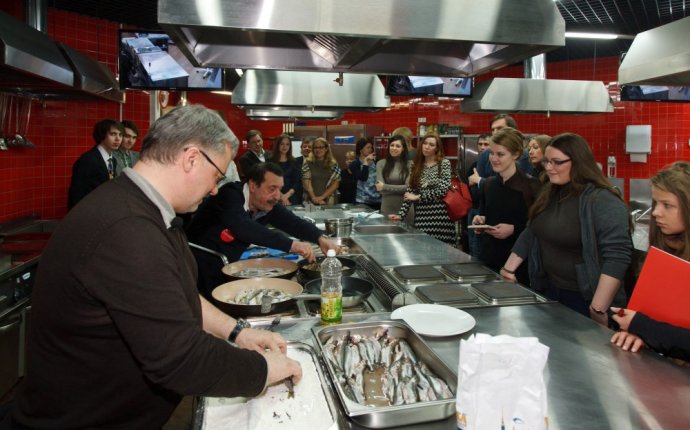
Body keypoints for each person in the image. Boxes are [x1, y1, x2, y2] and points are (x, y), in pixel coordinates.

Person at [4, 105, 301, 430]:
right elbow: (182, 360)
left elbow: (178, 293)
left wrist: (237, 332)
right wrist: (265, 368)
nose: (215, 189)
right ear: (191, 159)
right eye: (216, 176)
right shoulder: (126, 228)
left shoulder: (147, 210)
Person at [500, 133, 632, 325]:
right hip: (550, 290)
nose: (549, 168)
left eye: (557, 162)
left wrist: (598, 308)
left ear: (578, 162)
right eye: (547, 161)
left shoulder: (602, 200)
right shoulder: (551, 191)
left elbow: (617, 256)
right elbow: (532, 230)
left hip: (585, 299)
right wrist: (508, 268)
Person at [186, 162, 339, 298]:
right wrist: (291, 245)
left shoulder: (265, 203)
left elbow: (292, 222)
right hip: (199, 263)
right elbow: (244, 227)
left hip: (228, 264)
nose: (278, 196)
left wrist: (320, 238)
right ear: (253, 185)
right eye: (272, 189)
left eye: (280, 189)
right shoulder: (230, 195)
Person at [611, 161, 690, 361]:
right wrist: (640, 335)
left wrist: (642, 326)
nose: (655, 212)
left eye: (667, 205)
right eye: (656, 203)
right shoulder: (667, 251)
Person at [471, 128, 540, 284]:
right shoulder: (488, 184)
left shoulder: (532, 187)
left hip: (520, 267)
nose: (493, 159)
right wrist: (480, 221)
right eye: (491, 153)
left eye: (500, 154)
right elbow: (484, 214)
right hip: (489, 260)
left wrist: (515, 229)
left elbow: (540, 229)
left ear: (515, 154)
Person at [389, 133, 456, 245]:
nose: (427, 146)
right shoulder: (416, 165)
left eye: (431, 144)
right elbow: (410, 192)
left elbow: (442, 189)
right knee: (423, 250)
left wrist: (418, 197)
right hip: (421, 217)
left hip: (441, 217)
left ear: (437, 148)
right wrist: (400, 215)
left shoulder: (444, 163)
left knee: (442, 253)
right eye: (424, 143)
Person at [67, 118, 124, 209]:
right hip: (88, 211)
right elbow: (76, 193)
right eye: (113, 134)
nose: (118, 139)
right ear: (102, 135)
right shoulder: (87, 160)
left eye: (120, 135)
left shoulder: (113, 160)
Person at [465, 133, 491, 258]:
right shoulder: (474, 165)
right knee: (473, 246)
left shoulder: (493, 165)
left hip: (487, 210)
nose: (482, 147)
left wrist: (477, 180)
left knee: (483, 247)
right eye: (480, 144)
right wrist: (471, 182)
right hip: (473, 209)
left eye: (486, 144)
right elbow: (466, 183)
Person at [376, 134, 412, 218]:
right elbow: (379, 189)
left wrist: (385, 186)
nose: (394, 148)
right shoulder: (381, 163)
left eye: (398, 146)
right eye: (392, 145)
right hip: (387, 208)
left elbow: (408, 188)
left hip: (405, 209)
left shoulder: (410, 164)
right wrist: (400, 188)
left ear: (403, 149)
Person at [302, 137, 341, 205]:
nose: (318, 150)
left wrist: (322, 197)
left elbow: (336, 184)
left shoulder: (333, 164)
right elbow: (306, 182)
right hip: (310, 201)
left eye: (321, 147)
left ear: (326, 149)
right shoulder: (307, 162)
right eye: (315, 147)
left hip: (329, 200)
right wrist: (314, 198)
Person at [269, 133, 301, 206]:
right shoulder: (270, 162)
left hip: (291, 197)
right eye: (282, 144)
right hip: (273, 196)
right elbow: (269, 181)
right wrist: (281, 196)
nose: (285, 147)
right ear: (277, 145)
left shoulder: (294, 162)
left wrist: (286, 196)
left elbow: (297, 182)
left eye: (287, 144)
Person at [350, 137, 381, 210]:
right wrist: (365, 163)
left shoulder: (377, 163)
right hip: (361, 201)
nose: (370, 150)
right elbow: (363, 177)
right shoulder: (354, 164)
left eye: (371, 147)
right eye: (368, 147)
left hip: (377, 200)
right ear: (360, 150)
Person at [293, 137, 313, 204]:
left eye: (309, 147)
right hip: (297, 196)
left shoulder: (317, 163)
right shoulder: (294, 161)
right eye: (304, 146)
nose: (307, 148)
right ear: (301, 148)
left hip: (314, 196)